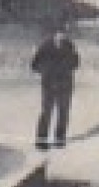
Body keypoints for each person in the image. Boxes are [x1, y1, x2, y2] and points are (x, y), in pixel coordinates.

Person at [30, 22, 81, 150]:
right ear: (55, 34)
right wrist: (46, 71)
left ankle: (60, 139)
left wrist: (67, 67)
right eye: (60, 34)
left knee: (63, 113)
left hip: (65, 85)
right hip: (49, 84)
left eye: (65, 34)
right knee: (46, 112)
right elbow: (34, 64)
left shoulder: (69, 46)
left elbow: (76, 62)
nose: (62, 36)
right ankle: (41, 140)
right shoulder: (45, 46)